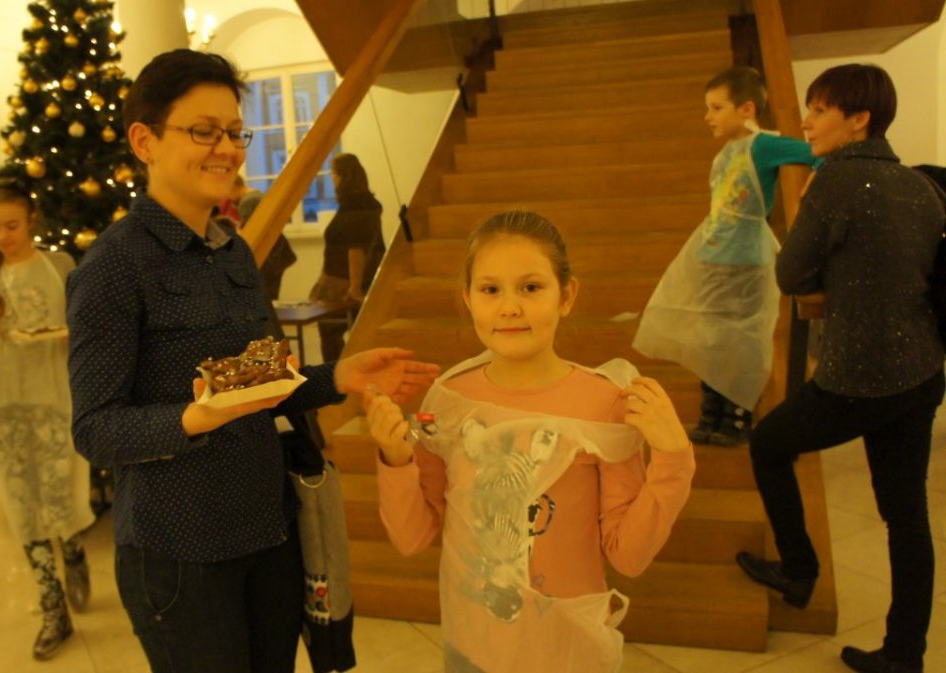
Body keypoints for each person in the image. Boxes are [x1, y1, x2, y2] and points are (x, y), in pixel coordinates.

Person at [65, 48, 439, 673]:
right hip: (180, 552)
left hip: (269, 533)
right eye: (203, 131)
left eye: (235, 133)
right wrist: (196, 417)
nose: (227, 149)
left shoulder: (233, 251)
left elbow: (262, 386)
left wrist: (337, 377)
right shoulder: (113, 267)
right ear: (144, 141)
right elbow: (95, 429)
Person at [365, 210, 695, 673]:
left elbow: (629, 555)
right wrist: (396, 459)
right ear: (468, 298)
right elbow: (412, 537)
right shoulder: (449, 399)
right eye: (490, 290)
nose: (509, 307)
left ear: (567, 295)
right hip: (474, 644)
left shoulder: (605, 404)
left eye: (531, 287)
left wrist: (673, 458)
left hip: (565, 650)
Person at [735, 64, 945, 673]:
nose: (806, 121)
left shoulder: (836, 182)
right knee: (907, 516)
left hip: (859, 378)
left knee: (769, 444)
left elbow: (791, 275)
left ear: (860, 119)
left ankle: (799, 570)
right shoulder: (922, 186)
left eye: (820, 109)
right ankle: (905, 653)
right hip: (922, 372)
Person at [632, 66, 819, 446]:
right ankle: (712, 411)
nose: (708, 116)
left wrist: (818, 175)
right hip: (713, 257)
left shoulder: (763, 146)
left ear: (746, 108)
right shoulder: (725, 153)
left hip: (745, 259)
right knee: (712, 339)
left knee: (740, 340)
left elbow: (817, 153)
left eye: (717, 108)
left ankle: (737, 414)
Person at [0, 178, 94, 661]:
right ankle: (51, 606)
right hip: (2, 403)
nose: (2, 236)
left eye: (11, 226)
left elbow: (82, 325)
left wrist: (67, 336)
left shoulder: (60, 266)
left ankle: (73, 549)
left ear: (31, 221)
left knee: (61, 494)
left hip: (55, 398)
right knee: (22, 503)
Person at [311, 153, 385, 362]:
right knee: (334, 331)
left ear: (344, 176)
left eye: (333, 174)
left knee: (330, 331)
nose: (332, 179)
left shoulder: (355, 205)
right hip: (342, 278)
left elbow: (355, 249)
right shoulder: (363, 203)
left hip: (345, 282)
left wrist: (355, 287)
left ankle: (335, 375)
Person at [239, 187, 296, 300]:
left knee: (264, 294)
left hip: (269, 256)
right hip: (276, 254)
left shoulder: (248, 202)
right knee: (269, 295)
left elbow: (248, 227)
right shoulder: (259, 197)